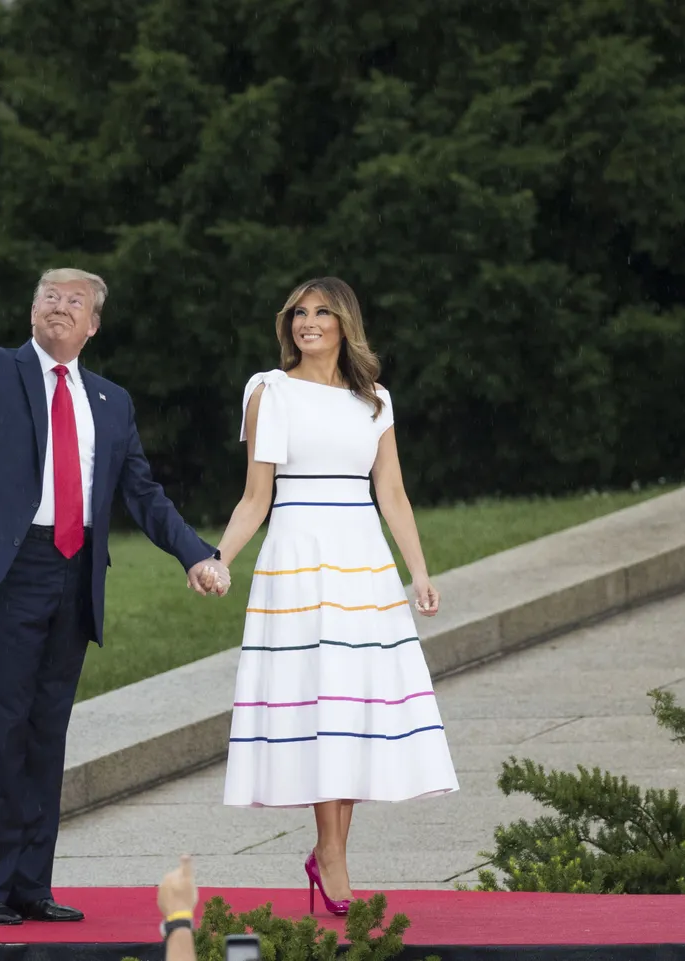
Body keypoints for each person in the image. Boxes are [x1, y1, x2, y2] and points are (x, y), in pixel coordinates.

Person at [0, 268, 231, 925]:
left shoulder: (110, 401)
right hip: (0, 573)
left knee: (45, 736)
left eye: (75, 300)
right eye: (49, 296)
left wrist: (196, 553)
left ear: (93, 324)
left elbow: (142, 491)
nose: (59, 306)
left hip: (73, 575)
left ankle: (29, 885)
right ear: (32, 310)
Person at [210, 277, 458, 916]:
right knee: (320, 705)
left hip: (363, 561)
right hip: (297, 559)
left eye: (323, 312)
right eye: (300, 312)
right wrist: (217, 559)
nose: (309, 322)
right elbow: (255, 497)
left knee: (350, 705)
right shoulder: (269, 391)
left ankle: (331, 853)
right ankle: (333, 857)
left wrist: (419, 573)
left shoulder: (375, 400)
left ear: (346, 323)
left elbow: (392, 492)